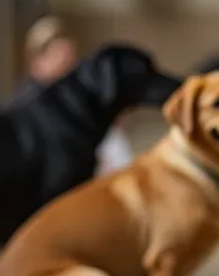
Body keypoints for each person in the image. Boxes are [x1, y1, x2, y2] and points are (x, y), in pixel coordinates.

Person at [12, 15, 134, 176]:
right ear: (37, 63)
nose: (68, 76)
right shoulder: (25, 108)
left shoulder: (84, 103)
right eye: (60, 67)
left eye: (71, 66)